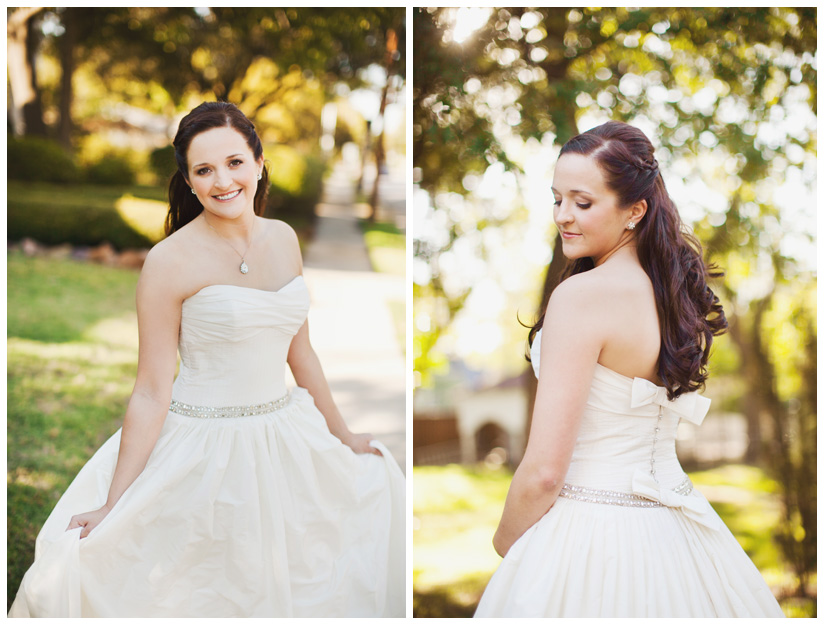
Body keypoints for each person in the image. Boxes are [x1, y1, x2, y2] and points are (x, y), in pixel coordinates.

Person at [9, 101, 405, 618]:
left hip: (285, 436)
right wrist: (114, 501)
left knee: (305, 573)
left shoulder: (284, 239)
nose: (223, 181)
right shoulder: (168, 261)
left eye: (235, 162)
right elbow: (152, 389)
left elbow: (300, 351)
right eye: (205, 170)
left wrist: (344, 435)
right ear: (189, 181)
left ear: (259, 162)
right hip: (201, 446)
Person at [474, 121, 784, 618]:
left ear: (634, 210)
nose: (563, 216)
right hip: (678, 532)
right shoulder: (672, 301)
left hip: (588, 531)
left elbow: (545, 473)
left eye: (583, 202)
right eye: (557, 199)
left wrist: (509, 545)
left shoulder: (581, 297)